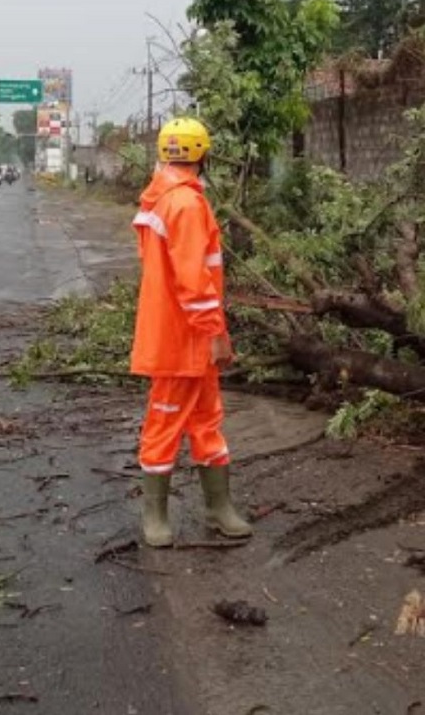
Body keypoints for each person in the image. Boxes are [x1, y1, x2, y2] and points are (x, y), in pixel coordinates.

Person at [129, 117, 252, 548]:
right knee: (165, 420)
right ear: (203, 154)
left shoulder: (159, 199)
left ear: (165, 153)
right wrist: (215, 332)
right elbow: (193, 280)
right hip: (183, 337)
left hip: (184, 334)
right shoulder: (185, 204)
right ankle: (156, 516)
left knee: (206, 419)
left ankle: (220, 508)